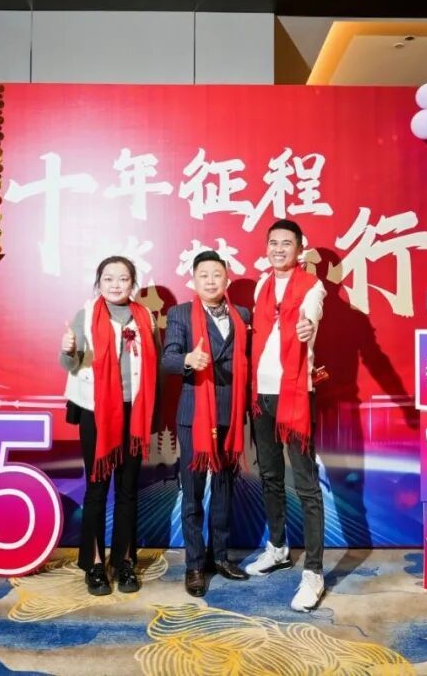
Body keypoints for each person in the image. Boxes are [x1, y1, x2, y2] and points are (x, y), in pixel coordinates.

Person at [60, 256, 158, 596]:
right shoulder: (85, 315)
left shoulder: (145, 317)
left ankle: (125, 561)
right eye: (108, 279)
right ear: (98, 283)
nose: (116, 285)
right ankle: (95, 564)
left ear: (133, 283)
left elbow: (155, 363)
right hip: (97, 411)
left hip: (135, 411)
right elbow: (70, 363)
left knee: (128, 490)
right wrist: (68, 350)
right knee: (97, 488)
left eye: (123, 279)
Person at [244, 219, 329, 612]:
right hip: (261, 393)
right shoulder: (262, 285)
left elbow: (311, 319)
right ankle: (278, 548)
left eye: (287, 243)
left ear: (299, 248)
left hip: (294, 392)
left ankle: (314, 572)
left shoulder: (312, 287)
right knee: (270, 475)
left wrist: (308, 327)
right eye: (273, 243)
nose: (279, 249)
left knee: (307, 485)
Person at [161, 250, 252, 597]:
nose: (211, 281)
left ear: (226, 278)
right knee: (193, 493)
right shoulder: (180, 314)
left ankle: (221, 556)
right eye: (204, 275)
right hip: (195, 415)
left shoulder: (242, 315)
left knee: (225, 490)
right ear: (194, 280)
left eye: (217, 274)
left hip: (230, 414)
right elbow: (167, 359)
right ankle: (195, 565)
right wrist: (188, 358)